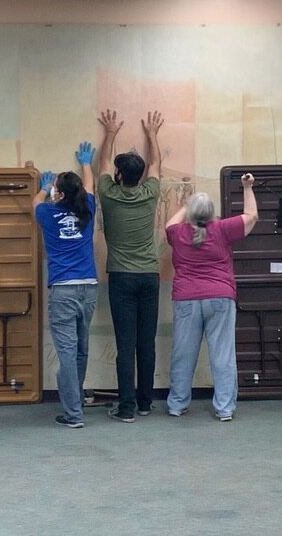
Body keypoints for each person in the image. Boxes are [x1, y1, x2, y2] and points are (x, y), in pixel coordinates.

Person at [163, 174, 258, 421]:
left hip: (186, 299)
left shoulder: (177, 233)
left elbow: (168, 225)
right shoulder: (223, 229)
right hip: (220, 297)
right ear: (212, 213)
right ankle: (225, 408)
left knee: (183, 354)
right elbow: (252, 216)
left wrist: (185, 205)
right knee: (223, 355)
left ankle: (177, 404)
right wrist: (247, 187)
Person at [96, 109, 164, 423]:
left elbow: (103, 165)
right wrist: (152, 134)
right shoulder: (150, 194)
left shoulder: (109, 195)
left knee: (126, 344)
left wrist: (109, 132)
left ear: (120, 176)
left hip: (122, 278)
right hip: (150, 276)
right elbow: (155, 164)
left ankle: (126, 409)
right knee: (145, 342)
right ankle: (146, 402)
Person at [33, 142, 98, 428]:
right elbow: (90, 187)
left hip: (63, 291)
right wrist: (86, 163)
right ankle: (76, 403)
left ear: (58, 193)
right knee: (81, 349)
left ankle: (73, 413)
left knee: (68, 353)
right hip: (89, 288)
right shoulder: (89, 208)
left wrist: (45, 186)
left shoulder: (48, 213)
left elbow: (34, 203)